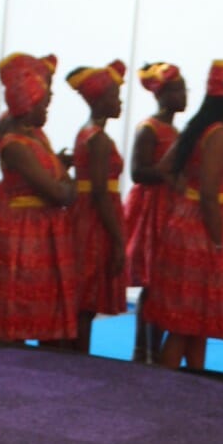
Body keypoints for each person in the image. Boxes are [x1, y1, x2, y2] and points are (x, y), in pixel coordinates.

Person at [146, 57, 223, 371]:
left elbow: (165, 168)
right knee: (185, 325)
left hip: (184, 224)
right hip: (204, 231)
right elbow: (209, 195)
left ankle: (190, 387)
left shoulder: (197, 127)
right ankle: (167, 390)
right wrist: (218, 241)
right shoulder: (218, 134)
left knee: (191, 322)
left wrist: (184, 193)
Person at [0, 52, 77, 344]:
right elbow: (58, 193)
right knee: (17, 302)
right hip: (23, 231)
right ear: (29, 105)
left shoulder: (34, 133)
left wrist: (61, 174)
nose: (49, 105)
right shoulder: (16, 145)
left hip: (38, 228)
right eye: (44, 102)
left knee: (40, 306)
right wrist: (69, 185)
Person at [124, 61, 188, 363]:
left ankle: (152, 350)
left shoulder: (174, 130)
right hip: (153, 208)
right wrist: (166, 173)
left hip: (171, 206)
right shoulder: (148, 128)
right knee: (153, 282)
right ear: (161, 94)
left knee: (163, 284)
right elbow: (138, 172)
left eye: (184, 90)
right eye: (177, 90)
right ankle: (143, 350)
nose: (183, 96)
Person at [66, 59, 128, 352]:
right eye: (115, 96)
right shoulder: (99, 140)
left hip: (84, 216)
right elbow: (101, 193)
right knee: (86, 301)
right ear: (100, 100)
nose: (120, 102)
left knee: (83, 298)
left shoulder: (85, 132)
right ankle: (78, 360)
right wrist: (118, 240)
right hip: (95, 222)